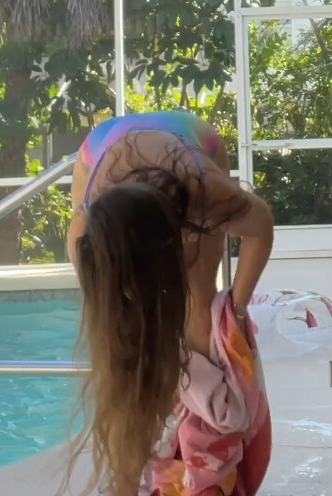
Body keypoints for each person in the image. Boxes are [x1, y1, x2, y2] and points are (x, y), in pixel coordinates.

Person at [67, 110, 276, 496]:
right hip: (98, 152)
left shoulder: (205, 199)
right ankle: (125, 485)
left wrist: (235, 308)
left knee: (199, 304)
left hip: (195, 147)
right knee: (122, 352)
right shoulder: (86, 232)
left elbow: (260, 224)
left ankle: (206, 468)